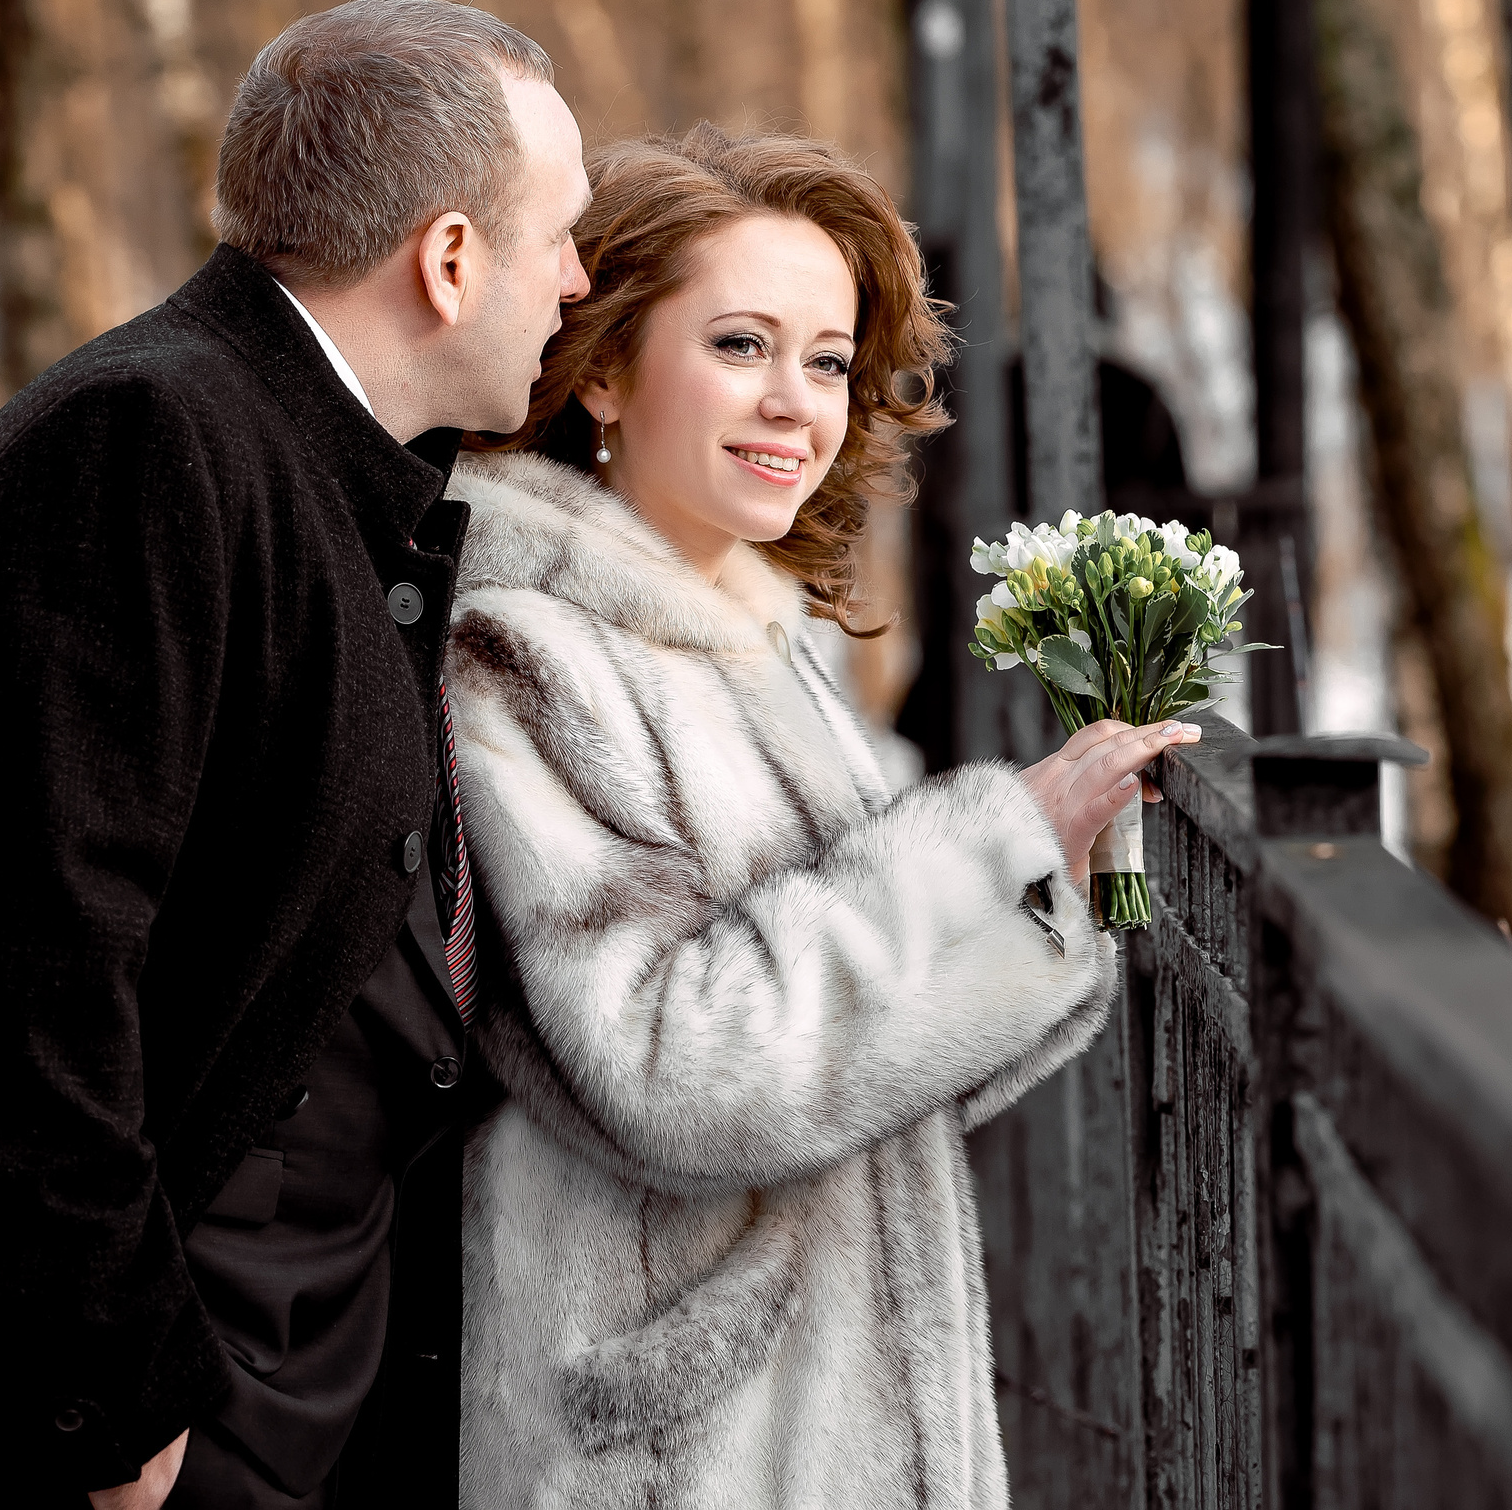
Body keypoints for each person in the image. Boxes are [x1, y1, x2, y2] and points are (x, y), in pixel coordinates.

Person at [0, 0, 590, 1509]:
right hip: (96, 1441)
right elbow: (10, 966)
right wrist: (112, 1399)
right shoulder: (144, 447)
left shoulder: (279, 448)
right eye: (559, 232)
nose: (575, 278)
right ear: (446, 257)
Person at [443, 123, 1190, 1507]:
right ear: (602, 368)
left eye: (830, 361)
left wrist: (1050, 897)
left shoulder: (762, 644)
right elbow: (674, 1066)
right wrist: (982, 837)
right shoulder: (530, 658)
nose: (797, 402)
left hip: (829, 1420)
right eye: (739, 345)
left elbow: (856, 1056)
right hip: (685, 1450)